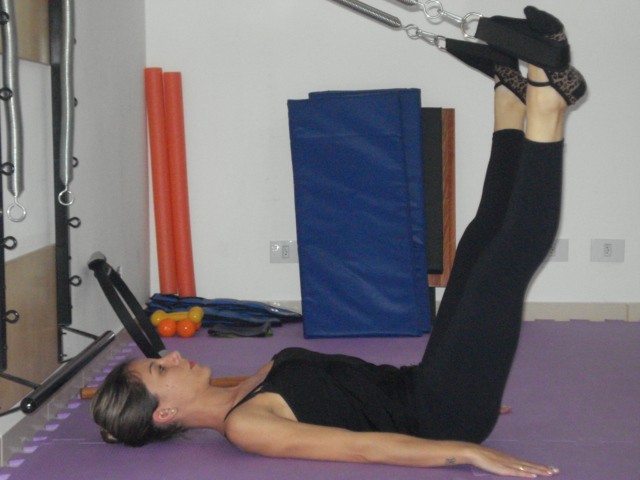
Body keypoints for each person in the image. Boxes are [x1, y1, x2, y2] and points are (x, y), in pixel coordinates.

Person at [91, 6, 586, 478]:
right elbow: (362, 448)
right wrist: (466, 451)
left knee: (478, 244)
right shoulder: (246, 427)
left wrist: (474, 378)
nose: (172, 356)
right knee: (506, 263)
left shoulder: (243, 388)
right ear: (166, 413)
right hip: (440, 417)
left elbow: (355, 393)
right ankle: (548, 108)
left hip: (434, 385)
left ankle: (510, 99)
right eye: (160, 369)